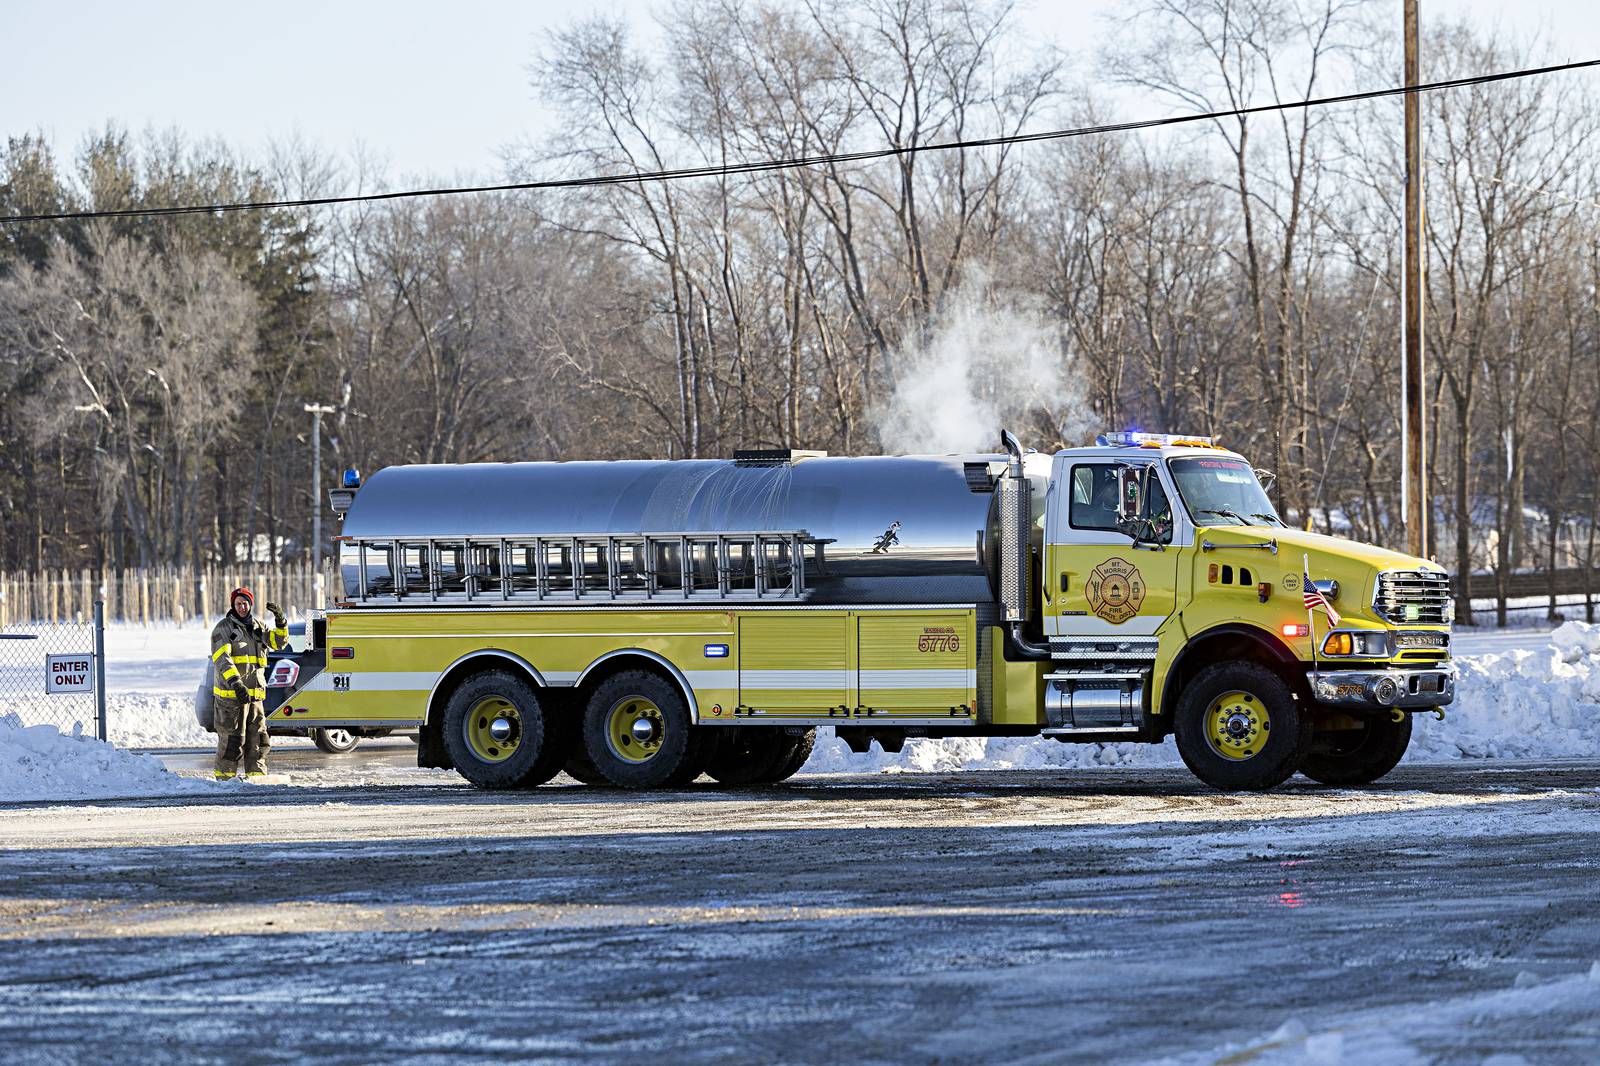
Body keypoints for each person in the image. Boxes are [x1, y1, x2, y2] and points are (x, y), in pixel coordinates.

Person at [210, 587, 288, 780]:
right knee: (232, 741)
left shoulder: (258, 627)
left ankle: (256, 778)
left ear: (250, 604)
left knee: (258, 740)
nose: (242, 607)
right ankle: (224, 781)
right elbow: (222, 659)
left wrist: (280, 621)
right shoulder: (223, 629)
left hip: (255, 698)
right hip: (231, 698)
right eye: (238, 604)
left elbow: (278, 642)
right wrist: (236, 684)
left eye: (245, 603)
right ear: (233, 605)